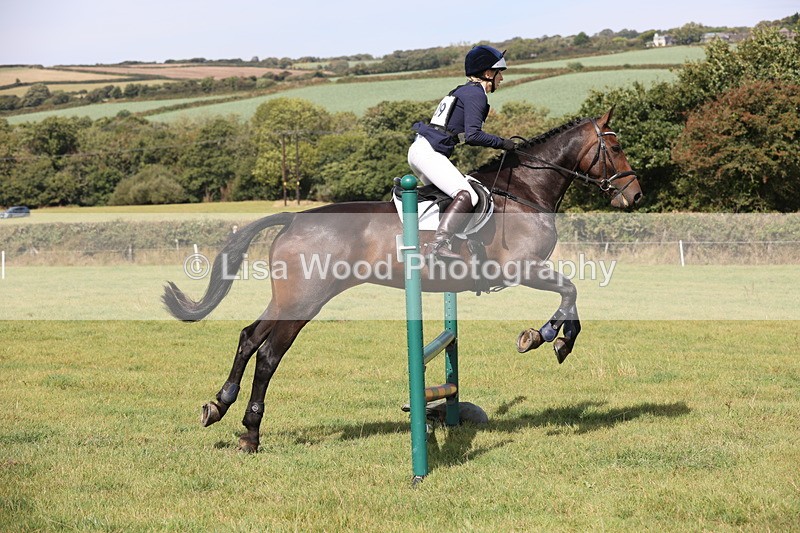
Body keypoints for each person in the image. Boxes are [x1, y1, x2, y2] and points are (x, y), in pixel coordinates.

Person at [408, 45, 517, 260]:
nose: (501, 79)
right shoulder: (476, 94)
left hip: (421, 150)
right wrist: (503, 143)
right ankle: (437, 246)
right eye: (499, 73)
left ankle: (452, 243)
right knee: (467, 195)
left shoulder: (461, 90)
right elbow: (473, 136)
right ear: (488, 73)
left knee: (452, 197)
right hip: (428, 153)